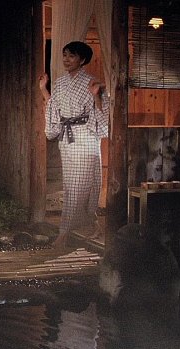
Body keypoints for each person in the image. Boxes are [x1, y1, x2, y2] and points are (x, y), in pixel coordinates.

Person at [39, 41, 109, 249]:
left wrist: (96, 95)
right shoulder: (60, 83)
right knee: (72, 186)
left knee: (80, 187)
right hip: (67, 139)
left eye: (71, 56)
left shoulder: (91, 81)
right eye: (65, 55)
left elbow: (102, 111)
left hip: (86, 137)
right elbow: (54, 107)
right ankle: (90, 224)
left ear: (82, 59)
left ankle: (65, 233)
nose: (66, 60)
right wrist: (43, 89)